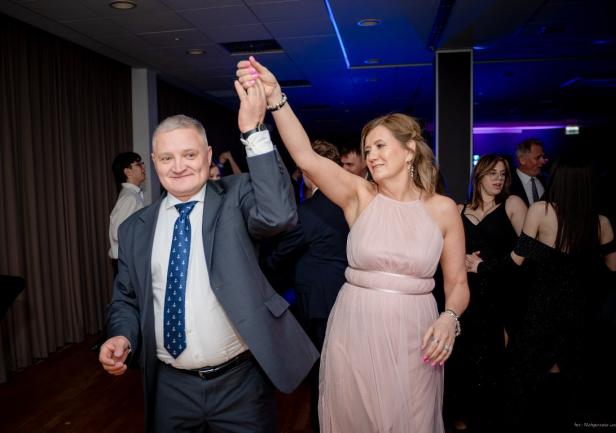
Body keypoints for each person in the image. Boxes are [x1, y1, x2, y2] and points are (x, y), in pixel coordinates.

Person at [237, 56, 470, 433]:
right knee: (356, 416)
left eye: (380, 146)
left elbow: (457, 283)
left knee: (410, 417)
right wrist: (277, 97)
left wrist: (449, 318)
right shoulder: (359, 196)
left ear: (410, 150)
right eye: (368, 149)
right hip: (355, 325)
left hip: (416, 331)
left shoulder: (442, 209)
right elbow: (305, 157)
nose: (371, 156)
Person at [99, 79, 319, 433]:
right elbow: (126, 299)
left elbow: (279, 215)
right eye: (167, 158)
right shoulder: (134, 229)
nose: (178, 166)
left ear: (207, 155)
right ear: (154, 162)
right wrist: (121, 336)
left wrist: (253, 132)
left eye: (189, 155)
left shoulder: (235, 196)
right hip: (170, 387)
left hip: (240, 384)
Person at [468, 150, 616, 431]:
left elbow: (516, 261)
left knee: (524, 388)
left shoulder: (541, 211)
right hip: (581, 315)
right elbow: (612, 270)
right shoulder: (602, 223)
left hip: (541, 313)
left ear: (559, 179)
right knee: (575, 386)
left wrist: (481, 267)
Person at [262, 139, 349, 433]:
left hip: (319, 302)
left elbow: (282, 254)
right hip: (347, 295)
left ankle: (323, 424)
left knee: (322, 372)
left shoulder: (311, 210)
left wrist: (259, 270)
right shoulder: (350, 203)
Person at [448, 155, 527, 432]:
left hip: (501, 294)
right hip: (467, 296)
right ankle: (462, 419)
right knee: (464, 361)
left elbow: (528, 254)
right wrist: (459, 259)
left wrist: (485, 266)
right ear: (479, 175)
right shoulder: (459, 209)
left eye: (503, 174)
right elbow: (444, 251)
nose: (498, 179)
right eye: (493, 173)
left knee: (496, 363)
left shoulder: (512, 204)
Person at [109, 151, 146, 275]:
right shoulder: (129, 198)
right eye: (139, 164)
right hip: (127, 262)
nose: (143, 167)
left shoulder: (133, 195)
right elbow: (117, 233)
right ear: (127, 172)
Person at [510, 138, 548, 206]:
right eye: (537, 158)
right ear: (522, 160)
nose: (543, 161)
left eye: (543, 157)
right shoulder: (508, 183)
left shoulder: (547, 179)